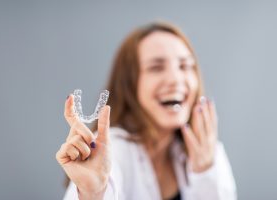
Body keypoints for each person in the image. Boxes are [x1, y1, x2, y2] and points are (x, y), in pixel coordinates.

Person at [56, 21, 237, 200]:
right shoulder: (113, 152)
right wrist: (93, 194)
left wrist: (205, 172)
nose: (176, 79)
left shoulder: (205, 150)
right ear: (130, 85)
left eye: (185, 66)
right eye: (156, 67)